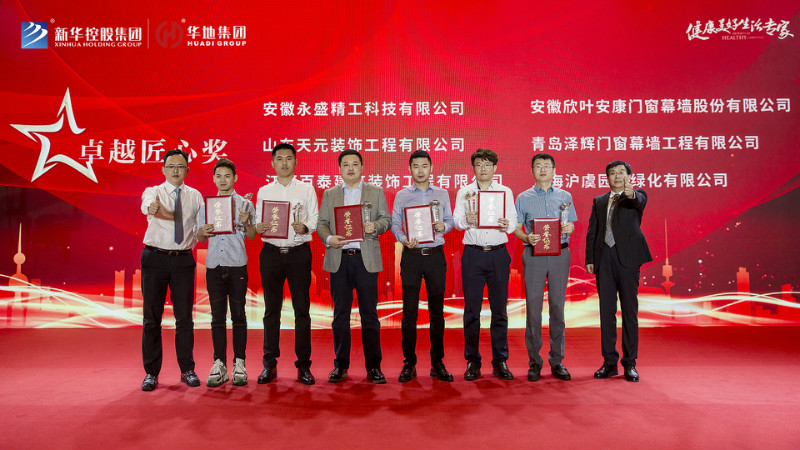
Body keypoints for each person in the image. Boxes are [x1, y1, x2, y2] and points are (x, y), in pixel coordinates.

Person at [317, 149, 391, 384]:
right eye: (346, 164)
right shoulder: (330, 194)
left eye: (355, 164)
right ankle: (340, 365)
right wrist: (329, 238)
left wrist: (375, 226)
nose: (350, 168)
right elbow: (322, 224)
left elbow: (386, 220)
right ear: (339, 169)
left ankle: (374, 367)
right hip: (339, 259)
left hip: (365, 260)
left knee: (370, 315)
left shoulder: (375, 192)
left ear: (362, 167)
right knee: (340, 315)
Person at [253, 143, 319, 385]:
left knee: (302, 310)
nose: (284, 163)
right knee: (271, 311)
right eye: (279, 159)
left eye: (288, 158)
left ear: (295, 162)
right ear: (272, 163)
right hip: (270, 253)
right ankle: (269, 364)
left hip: (298, 254)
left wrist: (306, 227)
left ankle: (303, 365)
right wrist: (259, 227)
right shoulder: (264, 191)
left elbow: (315, 217)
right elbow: (258, 221)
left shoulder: (306, 189)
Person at [139, 149, 204, 391]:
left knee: (184, 319)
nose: (176, 170)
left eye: (180, 166)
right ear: (163, 169)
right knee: (151, 319)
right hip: (154, 259)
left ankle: (187, 369)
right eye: (171, 166)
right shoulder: (153, 192)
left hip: (183, 261)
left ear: (187, 170)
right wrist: (157, 209)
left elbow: (199, 229)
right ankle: (151, 373)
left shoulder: (195, 196)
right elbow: (150, 207)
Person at [390, 150, 455, 383]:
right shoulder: (402, 195)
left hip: (435, 256)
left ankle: (437, 363)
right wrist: (403, 239)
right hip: (412, 256)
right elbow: (395, 223)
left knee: (437, 312)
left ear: (431, 168)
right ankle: (409, 362)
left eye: (424, 166)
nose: (420, 170)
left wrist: (444, 226)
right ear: (409, 169)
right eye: (416, 166)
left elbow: (450, 220)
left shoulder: (442, 193)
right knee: (409, 312)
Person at [453, 148, 517, 381]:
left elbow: (513, 221)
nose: (483, 169)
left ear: (495, 168)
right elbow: (456, 221)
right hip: (473, 254)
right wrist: (465, 220)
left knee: (500, 310)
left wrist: (507, 225)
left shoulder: (504, 192)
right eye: (479, 164)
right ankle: (472, 361)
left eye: (488, 164)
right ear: (473, 167)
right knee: (472, 311)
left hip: (498, 254)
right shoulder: (465, 192)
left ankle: (500, 360)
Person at [585, 160, 652, 382]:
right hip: (604, 258)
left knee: (629, 312)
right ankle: (609, 362)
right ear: (607, 177)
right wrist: (590, 259)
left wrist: (631, 193)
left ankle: (630, 363)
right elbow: (593, 231)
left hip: (628, 259)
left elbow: (637, 200)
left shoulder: (637, 195)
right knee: (606, 312)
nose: (616, 176)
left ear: (629, 176)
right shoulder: (599, 201)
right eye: (612, 173)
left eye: (621, 172)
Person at [513, 153, 577, 382]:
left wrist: (569, 228)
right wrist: (526, 237)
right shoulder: (523, 197)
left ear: (554, 170)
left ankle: (557, 360)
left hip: (560, 254)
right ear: (532, 171)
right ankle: (534, 361)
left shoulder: (565, 196)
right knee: (533, 309)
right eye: (538, 166)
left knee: (558, 307)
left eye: (547, 166)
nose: (542, 169)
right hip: (534, 255)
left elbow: (571, 224)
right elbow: (515, 228)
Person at [197, 158, 257, 387]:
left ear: (235, 178)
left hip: (237, 265)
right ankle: (219, 363)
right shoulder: (206, 205)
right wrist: (202, 231)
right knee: (217, 317)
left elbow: (251, 235)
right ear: (213, 178)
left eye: (227, 176)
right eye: (219, 176)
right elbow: (201, 238)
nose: (223, 180)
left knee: (239, 316)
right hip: (214, 265)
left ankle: (239, 362)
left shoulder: (245, 204)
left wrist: (247, 221)